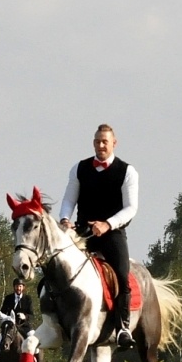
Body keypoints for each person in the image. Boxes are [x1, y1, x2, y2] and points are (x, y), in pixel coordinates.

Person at [60, 124, 139, 349]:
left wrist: (107, 224)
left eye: (105, 141)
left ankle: (123, 327)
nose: (101, 145)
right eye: (97, 141)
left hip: (112, 233)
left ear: (114, 143)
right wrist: (65, 219)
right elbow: (69, 200)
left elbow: (131, 208)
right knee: (56, 265)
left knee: (122, 275)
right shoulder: (79, 168)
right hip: (83, 232)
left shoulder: (127, 172)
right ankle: (55, 318)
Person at [0, 276, 33, 354]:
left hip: (24, 327)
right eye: (17, 286)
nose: (18, 288)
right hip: (10, 327)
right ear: (14, 287)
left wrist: (25, 316)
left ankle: (38, 361)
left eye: (20, 286)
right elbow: (3, 312)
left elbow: (31, 315)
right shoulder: (8, 298)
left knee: (33, 343)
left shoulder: (28, 299)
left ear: (23, 287)